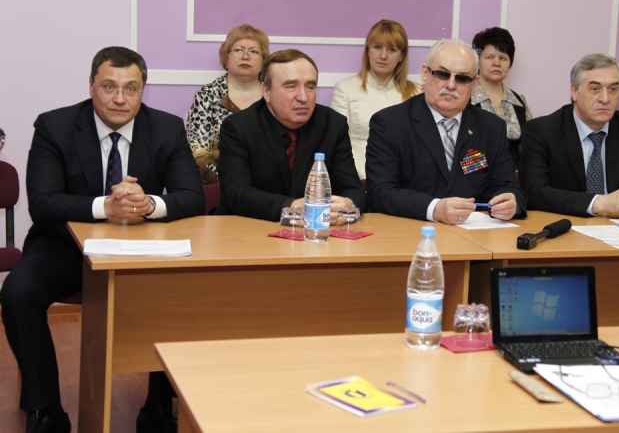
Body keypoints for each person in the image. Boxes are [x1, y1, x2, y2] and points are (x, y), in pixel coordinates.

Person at [0, 47, 204, 433]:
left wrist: (149, 204)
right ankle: (47, 410)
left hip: (141, 248)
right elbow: (43, 202)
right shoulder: (55, 126)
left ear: (143, 91)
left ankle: (158, 407)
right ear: (91, 85)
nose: (119, 99)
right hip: (64, 247)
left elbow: (192, 197)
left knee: (182, 291)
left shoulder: (167, 128)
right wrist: (104, 207)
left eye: (131, 89)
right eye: (109, 87)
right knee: (17, 292)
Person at [365, 39, 525, 225]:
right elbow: (380, 192)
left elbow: (508, 186)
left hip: (473, 235)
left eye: (462, 78)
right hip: (412, 231)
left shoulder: (492, 127)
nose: (451, 85)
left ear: (474, 83)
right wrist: (434, 209)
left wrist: (509, 203)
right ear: (425, 74)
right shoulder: (390, 123)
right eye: (442, 74)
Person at [519, 52, 619, 218]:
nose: (605, 98)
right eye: (595, 89)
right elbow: (534, 192)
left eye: (613, 89)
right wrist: (599, 202)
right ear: (574, 91)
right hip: (567, 224)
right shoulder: (541, 131)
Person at [216, 49, 366, 221]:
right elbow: (236, 194)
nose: (303, 97)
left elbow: (354, 190)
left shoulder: (332, 124)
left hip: (316, 229)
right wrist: (292, 206)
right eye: (291, 86)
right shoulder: (239, 127)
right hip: (251, 227)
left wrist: (347, 204)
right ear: (266, 91)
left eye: (310, 87)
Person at [330, 19, 419, 179]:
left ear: (401, 56)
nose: (383, 56)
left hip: (403, 180)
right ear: (368, 51)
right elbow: (336, 144)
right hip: (358, 178)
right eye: (377, 47)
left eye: (391, 49)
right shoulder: (345, 89)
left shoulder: (417, 93)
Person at [186, 24, 270, 184]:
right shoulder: (207, 95)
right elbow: (200, 156)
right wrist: (231, 183)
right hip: (220, 184)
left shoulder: (273, 95)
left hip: (269, 185)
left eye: (254, 51)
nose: (245, 56)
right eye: (238, 50)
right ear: (226, 57)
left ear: (263, 60)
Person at [470, 27, 532, 169]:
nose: (497, 63)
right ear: (478, 61)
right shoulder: (465, 100)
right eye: (489, 57)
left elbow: (530, 147)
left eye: (503, 58)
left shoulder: (519, 102)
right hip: (476, 177)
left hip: (516, 178)